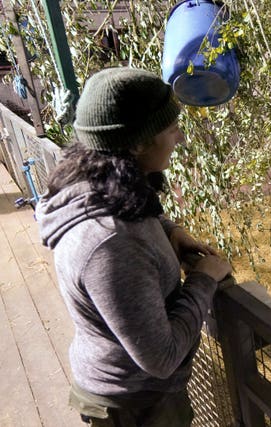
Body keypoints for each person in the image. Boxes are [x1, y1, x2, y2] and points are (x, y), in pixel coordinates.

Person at [36, 67, 232, 426]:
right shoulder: (111, 244)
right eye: (171, 129)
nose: (181, 138)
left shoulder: (96, 184)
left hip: (130, 392)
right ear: (138, 144)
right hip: (136, 407)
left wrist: (168, 229)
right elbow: (162, 357)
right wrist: (203, 279)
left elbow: (133, 214)